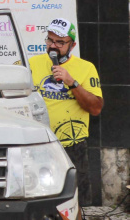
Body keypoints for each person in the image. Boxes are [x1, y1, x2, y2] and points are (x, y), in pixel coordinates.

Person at [29, 18, 103, 206]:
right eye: (50, 40)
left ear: (72, 45)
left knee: (77, 200)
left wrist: (72, 83)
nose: (53, 47)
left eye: (60, 43)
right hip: (38, 144)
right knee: (38, 198)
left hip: (73, 145)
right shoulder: (31, 64)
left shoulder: (86, 68)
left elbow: (95, 108)